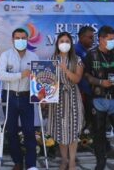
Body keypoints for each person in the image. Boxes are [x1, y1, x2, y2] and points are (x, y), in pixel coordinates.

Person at [82, 25, 114, 170]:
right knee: (98, 133)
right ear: (101, 39)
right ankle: (100, 163)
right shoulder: (91, 55)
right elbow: (85, 75)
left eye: (113, 39)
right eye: (109, 39)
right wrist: (100, 82)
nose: (112, 42)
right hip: (99, 99)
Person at [0, 28, 39, 170]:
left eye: (23, 38)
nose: (20, 41)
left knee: (29, 131)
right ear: (12, 40)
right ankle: (18, 162)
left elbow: (38, 79)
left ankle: (31, 164)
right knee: (11, 130)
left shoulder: (34, 57)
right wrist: (20, 75)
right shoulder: (5, 56)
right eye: (17, 38)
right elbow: (1, 75)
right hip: (10, 96)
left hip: (27, 97)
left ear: (27, 39)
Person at [47, 32, 84, 170]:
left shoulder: (77, 60)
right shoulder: (52, 59)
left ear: (71, 43)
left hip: (73, 98)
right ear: (57, 43)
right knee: (60, 130)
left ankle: (72, 160)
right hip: (57, 99)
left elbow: (77, 79)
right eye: (61, 41)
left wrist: (65, 70)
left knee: (73, 131)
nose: (64, 43)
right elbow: (48, 80)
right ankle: (63, 160)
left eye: (67, 41)